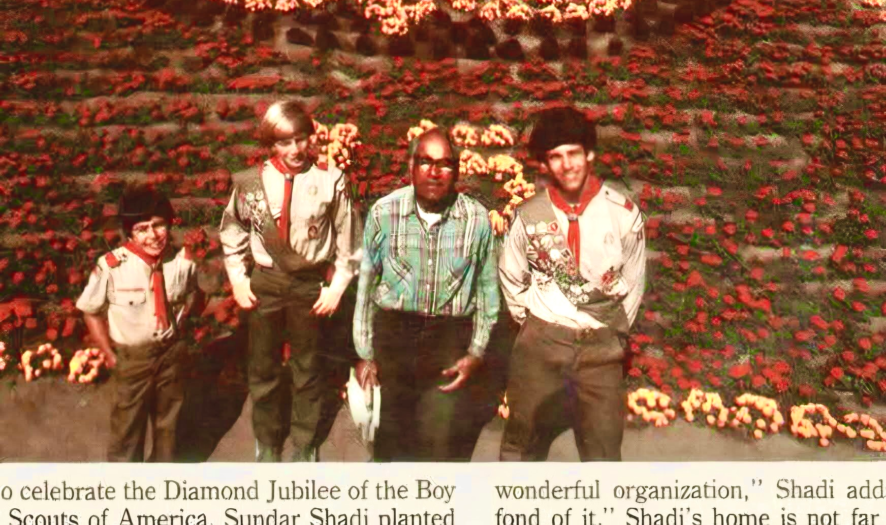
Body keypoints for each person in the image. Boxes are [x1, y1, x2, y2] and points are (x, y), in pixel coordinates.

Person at [498, 106, 646, 462]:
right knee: (521, 448)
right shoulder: (529, 216)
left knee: (604, 453)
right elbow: (512, 278)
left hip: (601, 351)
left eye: (573, 153)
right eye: (555, 156)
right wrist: (539, 326)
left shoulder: (623, 214)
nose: (566, 164)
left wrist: (603, 330)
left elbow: (633, 286)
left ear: (589, 154)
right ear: (546, 164)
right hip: (541, 346)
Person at [219, 100, 361, 462]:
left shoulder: (330, 180)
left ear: (310, 138)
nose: (295, 150)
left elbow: (350, 243)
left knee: (307, 367)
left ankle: (304, 441)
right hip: (265, 282)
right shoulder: (252, 184)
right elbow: (232, 231)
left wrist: (337, 288)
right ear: (271, 144)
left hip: (308, 286)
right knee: (263, 368)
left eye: (301, 139)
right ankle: (267, 441)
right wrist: (237, 279)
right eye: (284, 142)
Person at [353, 127, 500, 461]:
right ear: (410, 167)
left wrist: (476, 352)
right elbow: (365, 287)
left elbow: (488, 293)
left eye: (445, 164)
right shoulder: (383, 213)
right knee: (390, 439)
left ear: (457, 172)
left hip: (448, 338)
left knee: (438, 442)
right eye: (426, 162)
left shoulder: (475, 219)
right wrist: (364, 353)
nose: (435, 172)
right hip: (395, 333)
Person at [76, 185, 202, 462]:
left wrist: (182, 329)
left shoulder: (181, 262)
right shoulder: (112, 266)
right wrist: (110, 355)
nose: (152, 235)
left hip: (170, 353)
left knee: (168, 424)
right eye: (142, 229)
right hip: (133, 358)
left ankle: (161, 483)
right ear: (129, 233)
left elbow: (194, 294)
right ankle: (126, 486)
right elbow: (90, 310)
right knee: (127, 428)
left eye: (158, 226)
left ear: (169, 225)